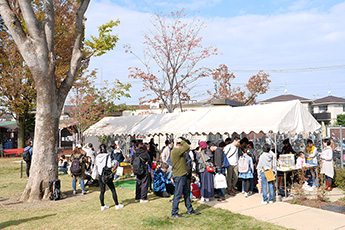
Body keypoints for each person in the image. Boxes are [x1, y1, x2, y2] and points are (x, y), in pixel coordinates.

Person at [171, 137, 199, 218]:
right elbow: (187, 146)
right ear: (180, 146)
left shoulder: (176, 151)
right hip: (179, 176)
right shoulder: (176, 151)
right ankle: (174, 213)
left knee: (187, 193)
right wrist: (181, 140)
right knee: (178, 194)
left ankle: (190, 209)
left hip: (183, 175)